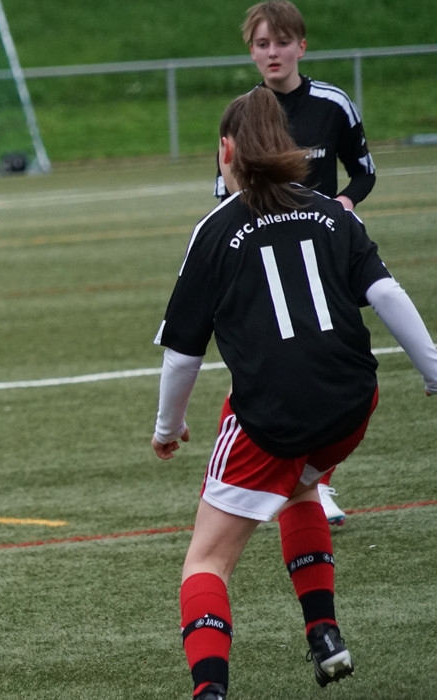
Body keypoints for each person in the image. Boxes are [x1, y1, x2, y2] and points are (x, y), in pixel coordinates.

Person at [154, 87, 437, 699]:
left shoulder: (214, 230)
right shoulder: (333, 212)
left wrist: (167, 428)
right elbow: (386, 294)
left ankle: (210, 691)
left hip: (274, 418)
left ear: (226, 151)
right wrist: (433, 370)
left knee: (205, 562)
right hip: (350, 404)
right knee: (302, 484)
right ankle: (325, 634)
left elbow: (182, 354)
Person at [214, 1, 378, 525]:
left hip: (323, 256)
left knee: (333, 350)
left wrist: (345, 202)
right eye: (262, 44)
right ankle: (273, 474)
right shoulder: (243, 113)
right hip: (263, 260)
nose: (273, 53)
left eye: (282, 43)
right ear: (251, 51)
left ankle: (316, 482)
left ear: (301, 46)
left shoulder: (333, 104)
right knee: (270, 357)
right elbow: (224, 192)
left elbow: (364, 172)